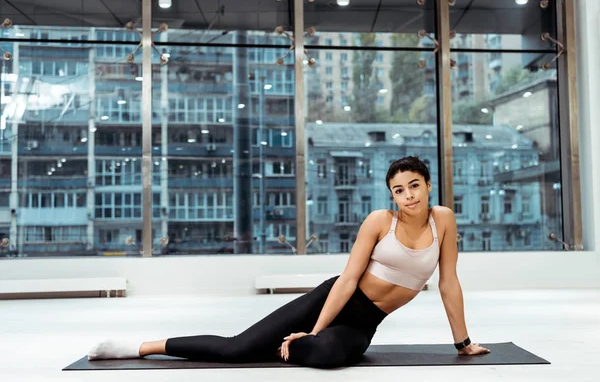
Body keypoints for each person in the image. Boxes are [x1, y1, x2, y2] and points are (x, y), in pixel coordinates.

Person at [88, 156, 490, 368]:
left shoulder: (444, 220)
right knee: (237, 349)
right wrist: (313, 330)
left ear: (428, 185)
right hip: (330, 300)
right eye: (399, 190)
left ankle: (287, 346)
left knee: (328, 357)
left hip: (364, 323)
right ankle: (140, 346)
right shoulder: (378, 222)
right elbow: (348, 281)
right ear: (392, 195)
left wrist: (463, 342)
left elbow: (448, 282)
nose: (408, 196)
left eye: (414, 186)